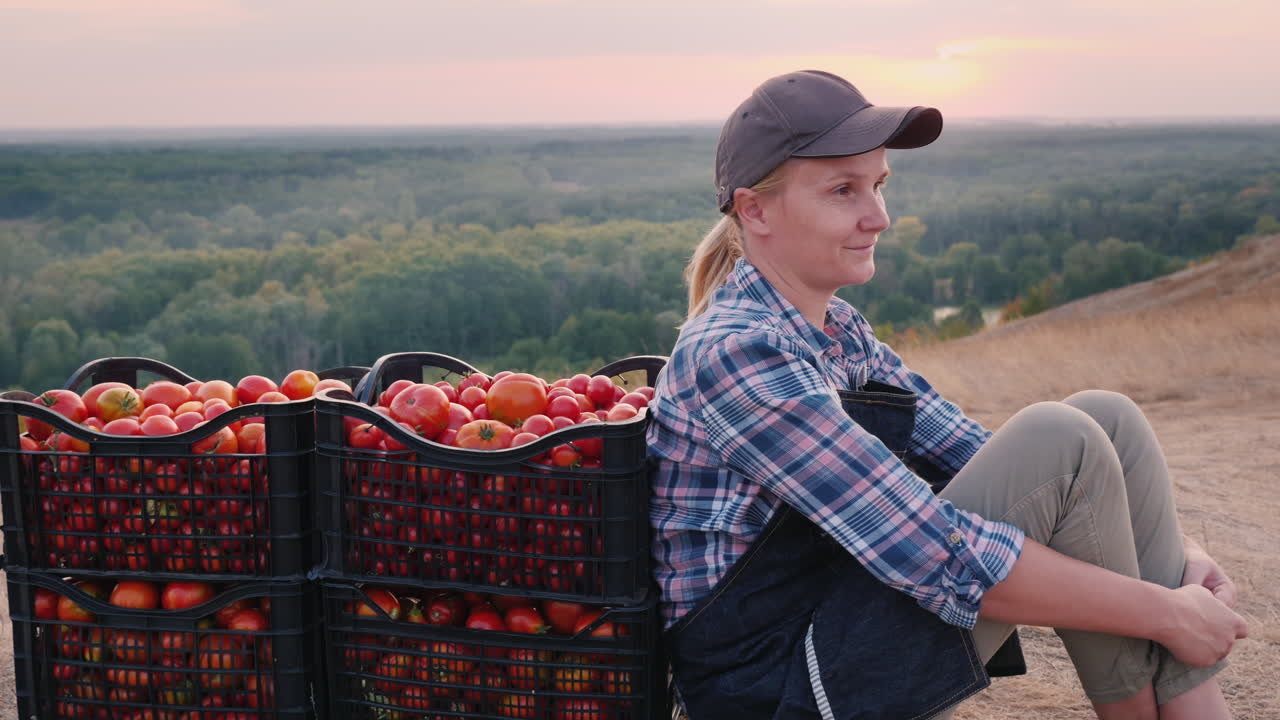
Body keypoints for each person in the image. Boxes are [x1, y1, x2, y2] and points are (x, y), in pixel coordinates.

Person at [646, 69, 1248, 720]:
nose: (878, 216)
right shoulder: (736, 354)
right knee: (1061, 437)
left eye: (878, 185)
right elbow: (934, 551)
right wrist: (1166, 614)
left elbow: (988, 461)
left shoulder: (839, 333)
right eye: (844, 190)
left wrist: (1184, 559)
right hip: (780, 690)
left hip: (839, 627)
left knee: (1107, 419)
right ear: (755, 209)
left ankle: (1189, 700)